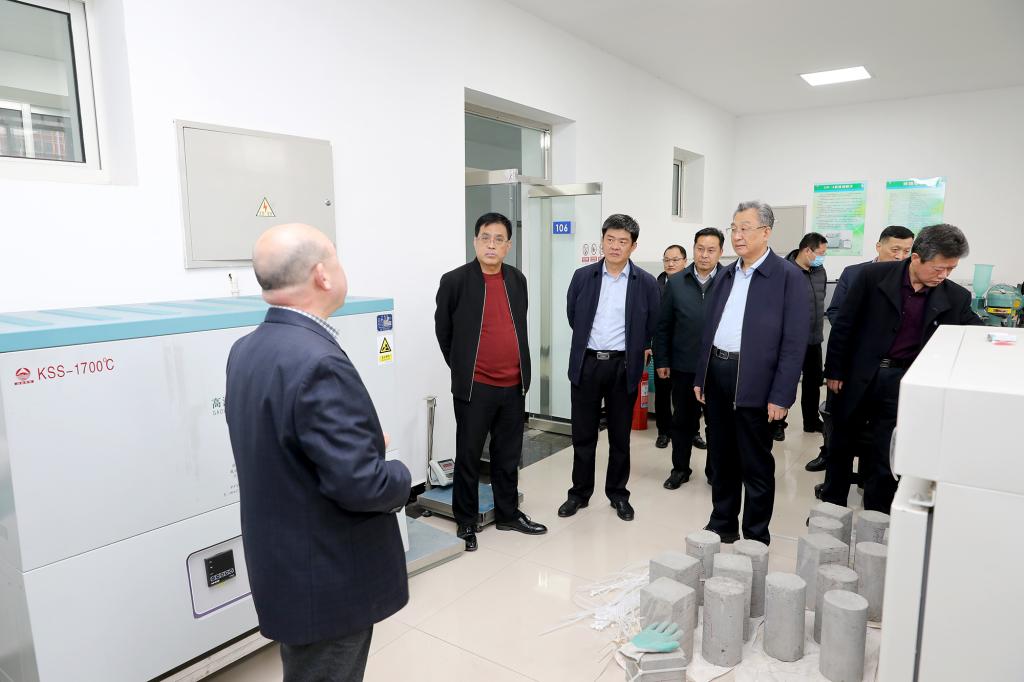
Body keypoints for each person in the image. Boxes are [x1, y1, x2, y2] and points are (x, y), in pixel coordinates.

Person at [225, 223, 411, 682]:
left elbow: (288, 445)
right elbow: (362, 484)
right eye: (337, 258)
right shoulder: (318, 361)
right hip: (327, 576)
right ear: (322, 275)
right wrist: (399, 473)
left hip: (286, 564)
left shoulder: (246, 349)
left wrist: (358, 444)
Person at [821, 224, 982, 513]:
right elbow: (844, 324)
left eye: (951, 269)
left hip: (903, 381)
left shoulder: (955, 297)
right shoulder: (872, 277)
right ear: (916, 258)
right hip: (857, 375)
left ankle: (877, 517)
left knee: (887, 453)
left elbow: (974, 332)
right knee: (840, 445)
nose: (944, 275)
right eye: (939, 268)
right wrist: (834, 370)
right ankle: (832, 510)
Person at [693, 201, 810, 545]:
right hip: (718, 373)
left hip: (757, 381)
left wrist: (782, 394)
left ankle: (756, 534)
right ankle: (722, 523)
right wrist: (701, 375)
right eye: (734, 228)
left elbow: (795, 342)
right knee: (721, 456)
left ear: (766, 232)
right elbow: (709, 329)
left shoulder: (787, 276)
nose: (738, 235)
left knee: (755, 462)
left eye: (745, 228)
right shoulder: (727, 273)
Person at [435, 212, 547, 552]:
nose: (491, 245)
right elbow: (444, 332)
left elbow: (517, 325)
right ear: (475, 241)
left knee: (508, 454)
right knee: (469, 455)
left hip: (513, 384)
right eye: (485, 237)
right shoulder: (455, 281)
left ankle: (508, 514)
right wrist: (463, 369)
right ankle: (466, 520)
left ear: (508, 246)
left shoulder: (517, 280)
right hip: (475, 387)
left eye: (499, 239)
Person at [557, 214, 660, 522]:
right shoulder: (582, 276)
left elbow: (651, 324)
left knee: (619, 437)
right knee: (583, 435)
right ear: (602, 241)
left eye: (623, 241)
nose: (615, 246)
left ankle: (618, 494)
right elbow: (574, 316)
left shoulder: (646, 283)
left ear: (633, 246)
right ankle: (579, 493)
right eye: (610, 239)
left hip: (622, 366)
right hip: (587, 364)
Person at [807, 224, 915, 475]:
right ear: (879, 247)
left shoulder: (912, 281)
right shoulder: (856, 273)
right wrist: (862, 336)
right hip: (853, 362)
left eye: (906, 251)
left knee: (879, 428)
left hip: (889, 369)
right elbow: (836, 312)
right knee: (840, 420)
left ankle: (867, 474)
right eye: (895, 249)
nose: (900, 256)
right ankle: (828, 456)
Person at [654, 227, 725, 489]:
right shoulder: (676, 283)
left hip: (718, 367)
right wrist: (662, 360)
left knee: (716, 424)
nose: (704, 255)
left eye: (711, 250)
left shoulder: (730, 280)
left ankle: (714, 471)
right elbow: (663, 326)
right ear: (693, 249)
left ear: (721, 252)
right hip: (684, 366)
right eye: (700, 249)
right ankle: (680, 469)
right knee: (682, 421)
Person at [780, 232, 829, 441]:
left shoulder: (820, 271)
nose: (823, 258)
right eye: (821, 253)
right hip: (789, 341)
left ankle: (811, 421)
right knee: (785, 382)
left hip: (814, 338)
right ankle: (777, 424)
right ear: (807, 250)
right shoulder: (784, 271)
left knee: (813, 383)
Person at [654, 244, 688, 449]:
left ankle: (691, 432)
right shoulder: (655, 285)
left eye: (675, 260)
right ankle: (663, 431)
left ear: (685, 261)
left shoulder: (693, 284)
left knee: (686, 395)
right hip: (663, 348)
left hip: (686, 350)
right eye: (667, 260)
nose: (670, 264)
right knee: (663, 392)